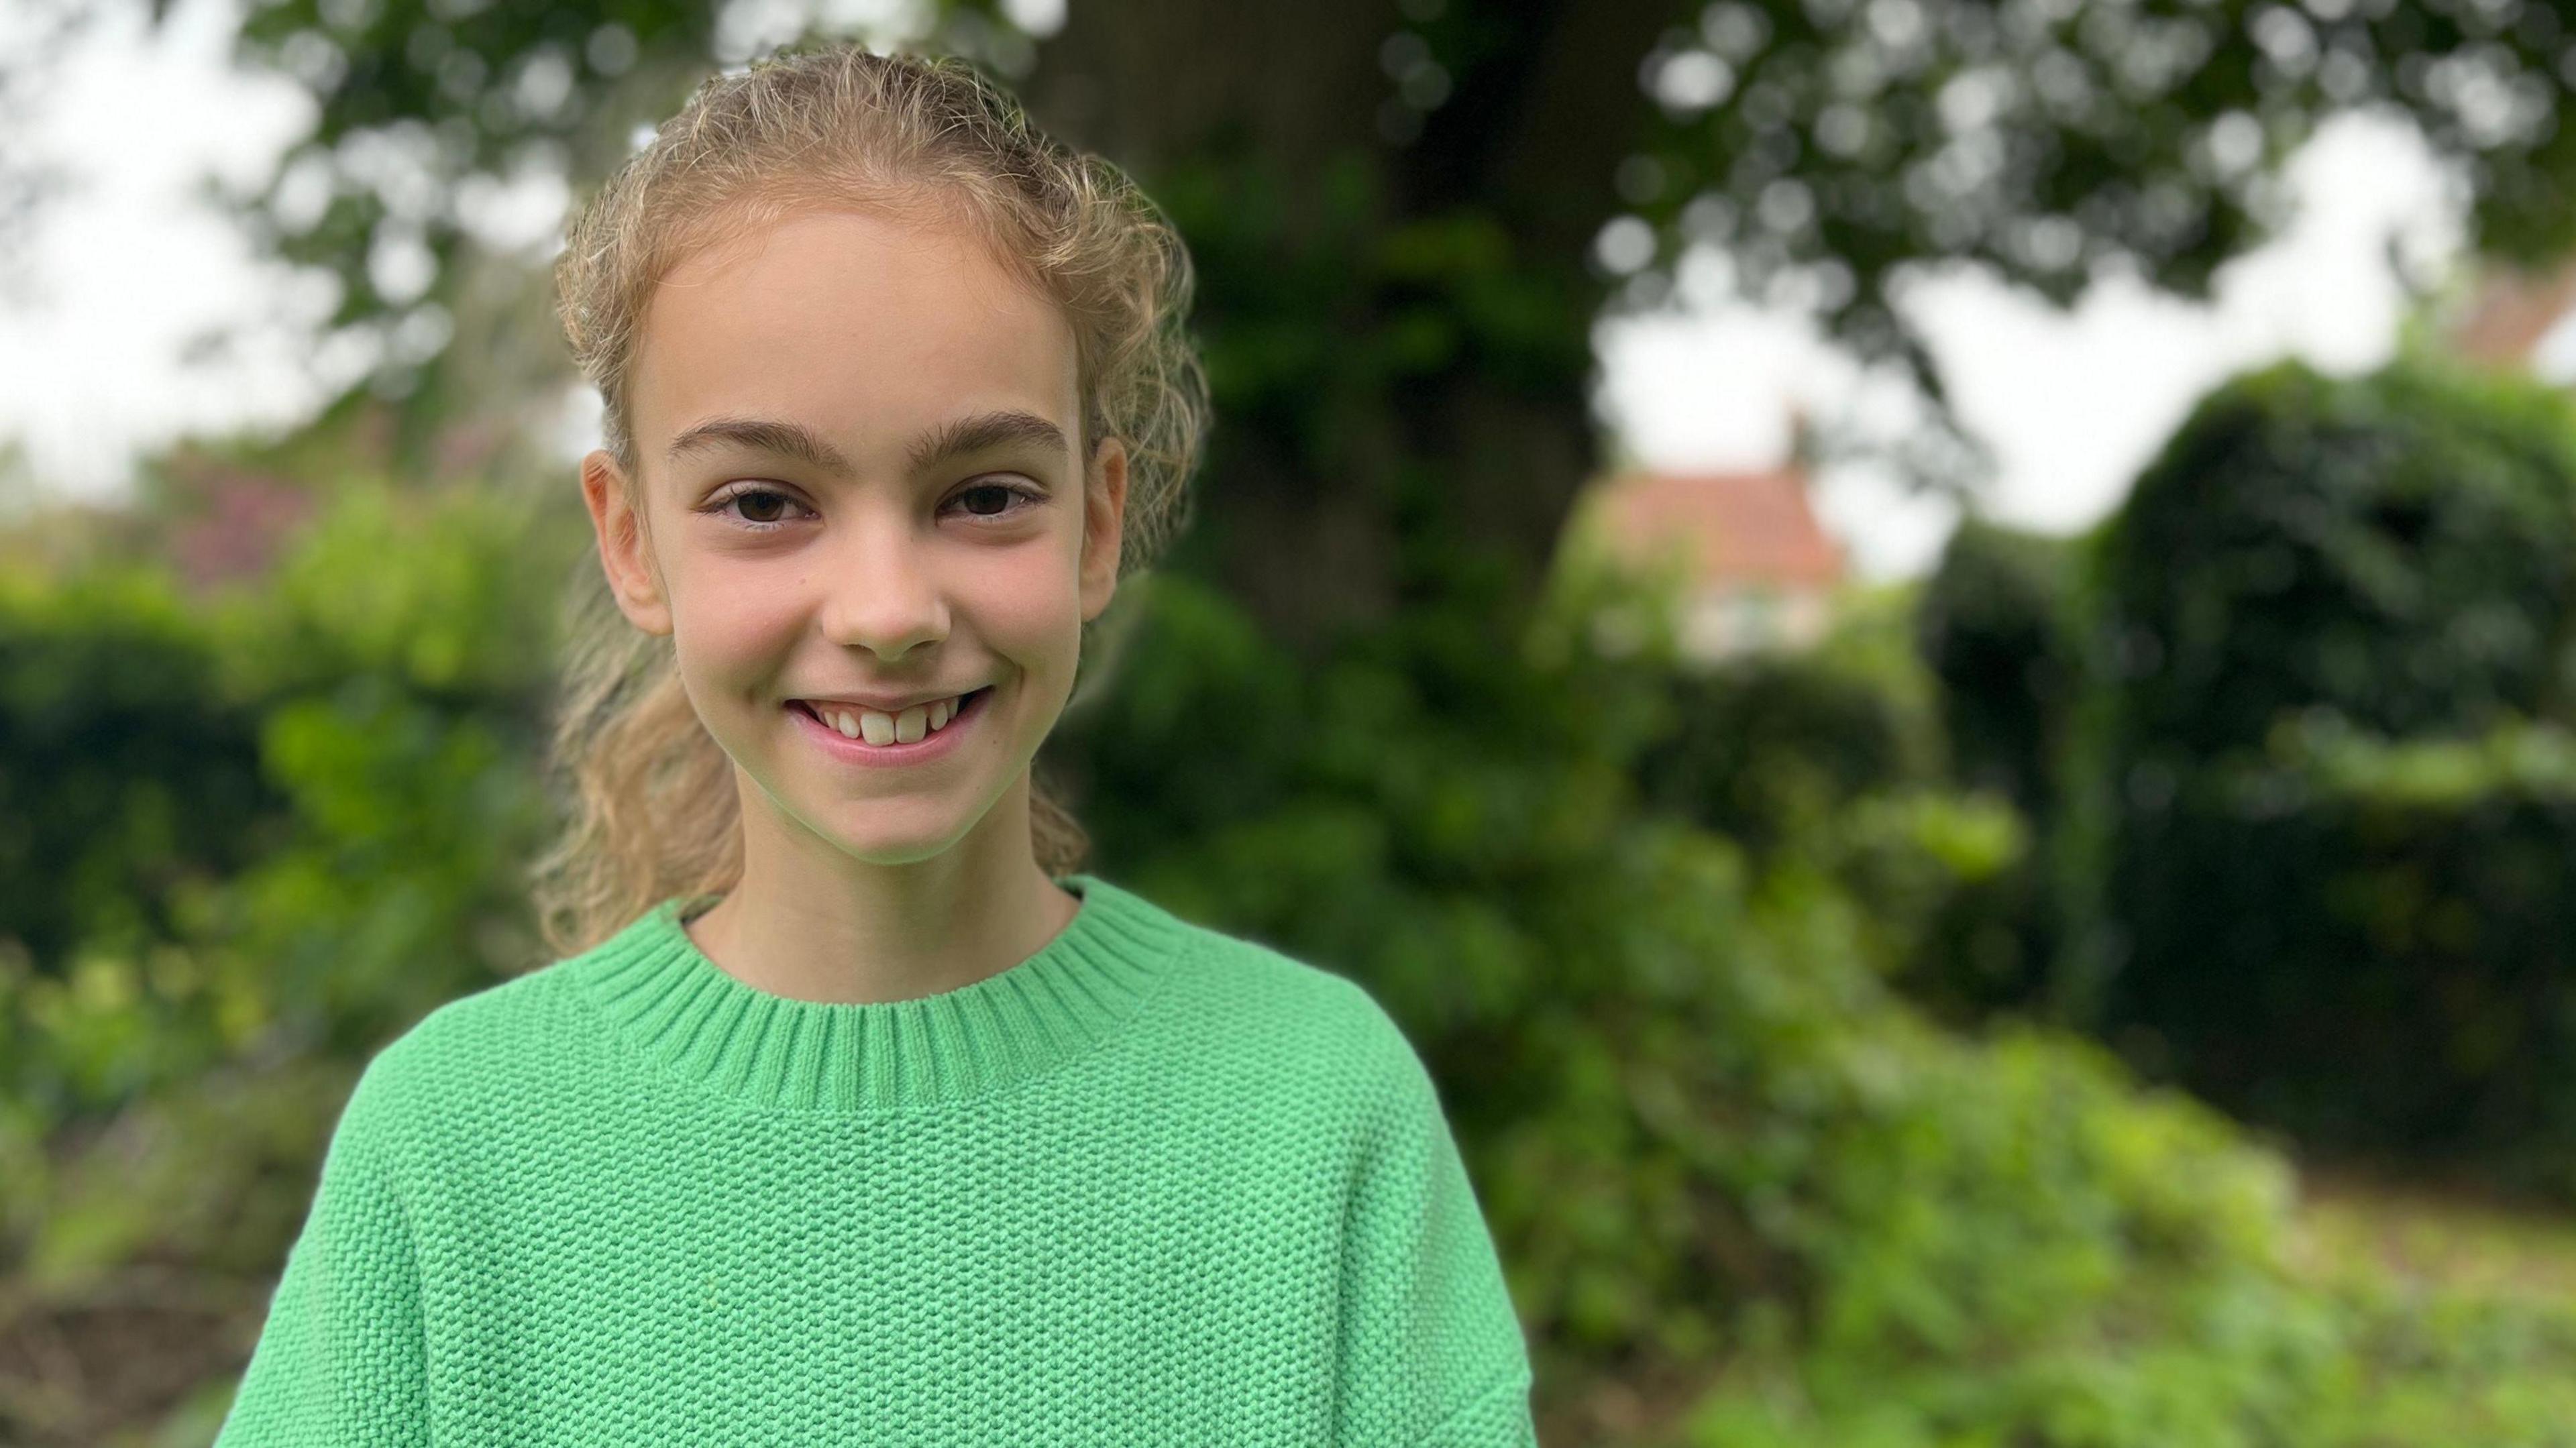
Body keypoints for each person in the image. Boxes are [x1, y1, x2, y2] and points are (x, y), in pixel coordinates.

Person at [213, 41, 1536, 1447]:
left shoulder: (1318, 1115)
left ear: (1096, 524)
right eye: (766, 503)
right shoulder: (452, 1149)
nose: (890, 610)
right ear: (629, 538)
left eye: (982, 495)